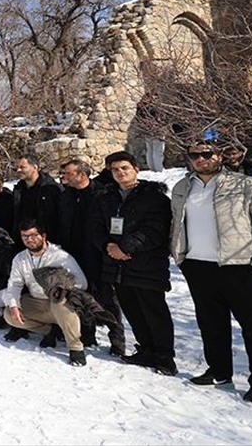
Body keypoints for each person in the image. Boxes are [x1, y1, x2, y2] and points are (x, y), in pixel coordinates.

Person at [170, 140, 252, 404]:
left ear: (218, 156)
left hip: (241, 267)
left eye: (206, 154)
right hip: (198, 266)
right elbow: (177, 223)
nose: (200, 159)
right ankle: (219, 372)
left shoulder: (245, 185)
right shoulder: (183, 187)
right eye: (194, 154)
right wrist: (181, 257)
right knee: (211, 324)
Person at [94, 151, 174, 375]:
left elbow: (155, 229)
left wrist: (125, 247)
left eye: (124, 168)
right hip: (117, 266)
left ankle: (165, 357)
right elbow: (96, 226)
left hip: (147, 264)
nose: (120, 173)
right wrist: (108, 246)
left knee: (154, 311)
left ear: (135, 169)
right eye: (115, 169)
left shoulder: (154, 197)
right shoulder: (107, 198)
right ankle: (146, 349)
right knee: (132, 310)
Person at [3, 219, 89, 367]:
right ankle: (50, 330)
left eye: (33, 235)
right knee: (9, 315)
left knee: (61, 302)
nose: (30, 239)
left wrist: (60, 285)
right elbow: (14, 284)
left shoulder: (61, 256)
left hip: (59, 302)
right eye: (25, 236)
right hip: (36, 301)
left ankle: (75, 348)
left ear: (43, 236)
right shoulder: (20, 258)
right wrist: (14, 305)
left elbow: (83, 283)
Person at [58, 159, 123, 354]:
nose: (64, 177)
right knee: (80, 295)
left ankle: (117, 340)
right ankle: (88, 333)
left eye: (68, 173)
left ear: (82, 175)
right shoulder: (66, 196)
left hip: (99, 254)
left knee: (107, 299)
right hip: (74, 254)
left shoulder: (101, 194)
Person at [12, 154, 63, 240]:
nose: (18, 170)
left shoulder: (52, 189)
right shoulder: (18, 189)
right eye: (17, 167)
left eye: (22, 167)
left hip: (47, 240)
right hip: (23, 240)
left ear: (35, 167)